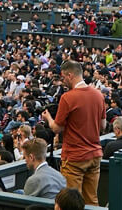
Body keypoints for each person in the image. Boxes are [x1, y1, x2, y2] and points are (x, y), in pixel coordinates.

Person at [42, 61, 105, 204]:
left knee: (71, 202)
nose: (63, 82)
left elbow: (57, 128)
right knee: (92, 200)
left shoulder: (67, 97)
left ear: (70, 75)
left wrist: (48, 118)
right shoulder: (98, 95)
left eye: (63, 78)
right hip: (95, 155)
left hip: (74, 157)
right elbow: (103, 125)